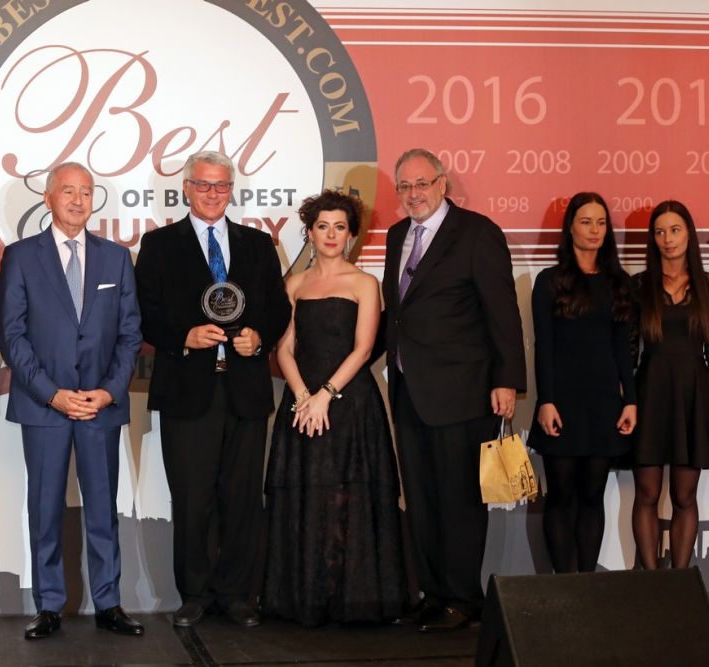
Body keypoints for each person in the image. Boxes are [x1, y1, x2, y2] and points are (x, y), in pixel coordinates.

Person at [134, 150, 291, 628]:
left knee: (242, 497)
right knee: (192, 498)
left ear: (231, 190)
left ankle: (238, 594)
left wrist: (258, 337)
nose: (212, 193)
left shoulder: (258, 244)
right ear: (186, 188)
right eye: (203, 184)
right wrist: (183, 336)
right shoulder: (159, 244)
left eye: (221, 185)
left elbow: (278, 308)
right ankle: (195, 594)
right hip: (187, 390)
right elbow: (144, 311)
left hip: (245, 390)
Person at [0, 162, 144, 638]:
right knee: (45, 510)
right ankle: (49, 606)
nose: (79, 200)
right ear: (48, 198)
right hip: (45, 407)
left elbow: (130, 334)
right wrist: (52, 394)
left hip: (101, 406)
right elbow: (12, 335)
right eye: (68, 191)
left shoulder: (116, 258)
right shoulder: (21, 256)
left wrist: (109, 391)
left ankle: (109, 603)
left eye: (86, 192)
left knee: (103, 509)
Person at [383, 148, 525, 632]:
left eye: (422, 183)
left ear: (442, 183)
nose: (413, 194)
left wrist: (507, 380)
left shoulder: (477, 233)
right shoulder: (398, 235)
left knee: (460, 499)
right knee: (421, 498)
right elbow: (398, 313)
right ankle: (433, 593)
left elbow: (502, 312)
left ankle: (463, 599)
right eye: (405, 186)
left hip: (464, 391)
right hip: (409, 388)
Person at [262, 190, 406, 626]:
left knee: (347, 499)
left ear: (350, 235)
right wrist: (303, 397)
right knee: (306, 497)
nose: (330, 234)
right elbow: (284, 349)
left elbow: (363, 349)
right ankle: (306, 598)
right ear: (309, 232)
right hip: (302, 405)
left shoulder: (364, 284)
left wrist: (325, 394)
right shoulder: (294, 285)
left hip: (350, 405)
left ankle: (351, 601)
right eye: (322, 226)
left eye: (339, 227)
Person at [529, 192, 636, 574]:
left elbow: (623, 348)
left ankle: (588, 585)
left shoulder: (619, 283)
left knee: (592, 497)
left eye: (601, 222)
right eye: (586, 221)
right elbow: (543, 346)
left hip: (605, 404)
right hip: (562, 402)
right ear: (570, 227)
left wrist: (630, 400)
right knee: (560, 495)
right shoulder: (549, 281)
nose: (595, 230)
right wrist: (546, 401)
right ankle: (563, 585)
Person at [631, 200, 709, 569]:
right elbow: (628, 348)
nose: (668, 239)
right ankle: (650, 582)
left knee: (684, 496)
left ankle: (679, 582)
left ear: (689, 234)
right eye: (660, 232)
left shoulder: (706, 286)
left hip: (694, 394)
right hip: (650, 391)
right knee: (646, 493)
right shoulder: (639, 286)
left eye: (675, 230)